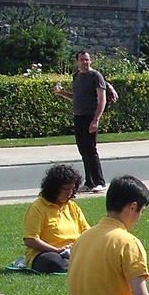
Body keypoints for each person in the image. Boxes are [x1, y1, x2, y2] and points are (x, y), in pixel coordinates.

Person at [53, 50, 118, 194]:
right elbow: (76, 97)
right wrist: (62, 93)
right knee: (83, 150)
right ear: (76, 61)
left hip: (90, 116)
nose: (85, 62)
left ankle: (99, 181)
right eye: (82, 59)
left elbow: (102, 100)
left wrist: (96, 120)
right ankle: (89, 182)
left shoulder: (95, 76)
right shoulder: (76, 76)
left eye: (87, 59)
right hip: (79, 116)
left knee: (91, 150)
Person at [22, 163, 88, 274]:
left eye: (72, 189)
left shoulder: (72, 206)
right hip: (47, 253)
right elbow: (30, 240)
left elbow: (87, 232)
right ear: (53, 188)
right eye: (65, 189)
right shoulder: (37, 208)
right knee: (52, 262)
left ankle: (78, 262)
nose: (69, 193)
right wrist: (57, 250)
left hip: (73, 251)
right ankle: (79, 264)